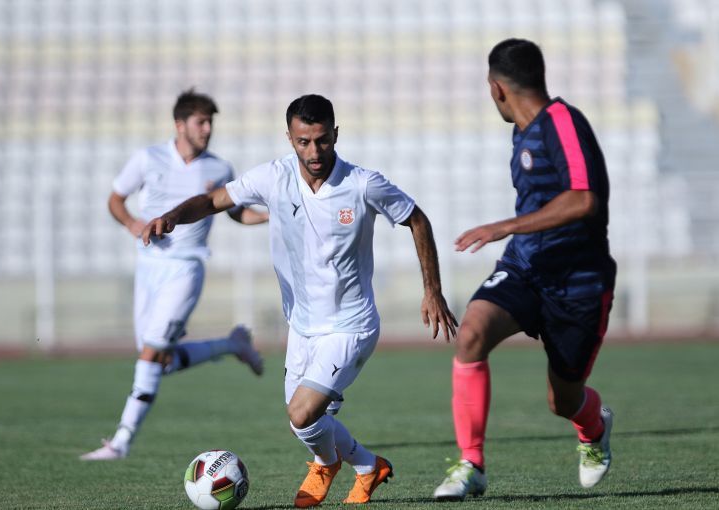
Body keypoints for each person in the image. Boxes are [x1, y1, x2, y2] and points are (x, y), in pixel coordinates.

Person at [142, 94, 459, 506]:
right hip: (302, 325)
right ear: (289, 138)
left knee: (302, 413)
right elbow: (214, 200)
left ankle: (325, 465)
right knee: (303, 420)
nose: (314, 152)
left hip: (351, 325)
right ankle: (368, 466)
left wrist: (432, 290)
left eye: (322, 140)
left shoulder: (362, 183)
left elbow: (416, 218)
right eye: (303, 142)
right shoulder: (273, 177)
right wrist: (172, 216)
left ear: (335, 135)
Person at [433, 38, 617, 500]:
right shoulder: (522, 132)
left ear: (496, 88)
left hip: (578, 283)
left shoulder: (562, 122)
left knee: (563, 400)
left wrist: (505, 226)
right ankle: (471, 465)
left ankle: (593, 428)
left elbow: (584, 199)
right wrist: (515, 235)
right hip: (526, 267)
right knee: (471, 333)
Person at [80, 89, 269, 461]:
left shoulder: (219, 168)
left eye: (210, 122)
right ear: (179, 124)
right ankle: (232, 345)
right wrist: (132, 223)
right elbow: (115, 199)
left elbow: (237, 213)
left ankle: (121, 442)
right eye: (201, 121)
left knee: (151, 353)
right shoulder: (148, 158)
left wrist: (272, 216)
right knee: (158, 362)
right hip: (149, 267)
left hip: (187, 268)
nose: (207, 129)